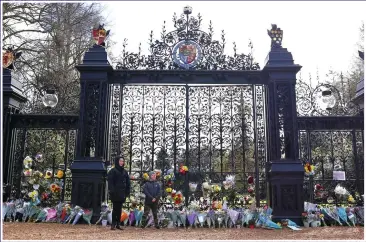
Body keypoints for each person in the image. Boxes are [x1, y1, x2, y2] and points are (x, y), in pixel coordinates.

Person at [107, 156, 131, 230]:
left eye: (122, 161)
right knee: (115, 209)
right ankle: (113, 224)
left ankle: (118, 223)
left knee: (120, 209)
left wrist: (127, 191)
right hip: (115, 193)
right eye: (120, 161)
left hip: (122, 193)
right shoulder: (112, 171)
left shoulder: (125, 172)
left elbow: (128, 182)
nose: (121, 162)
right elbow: (110, 182)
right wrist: (112, 191)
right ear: (117, 161)